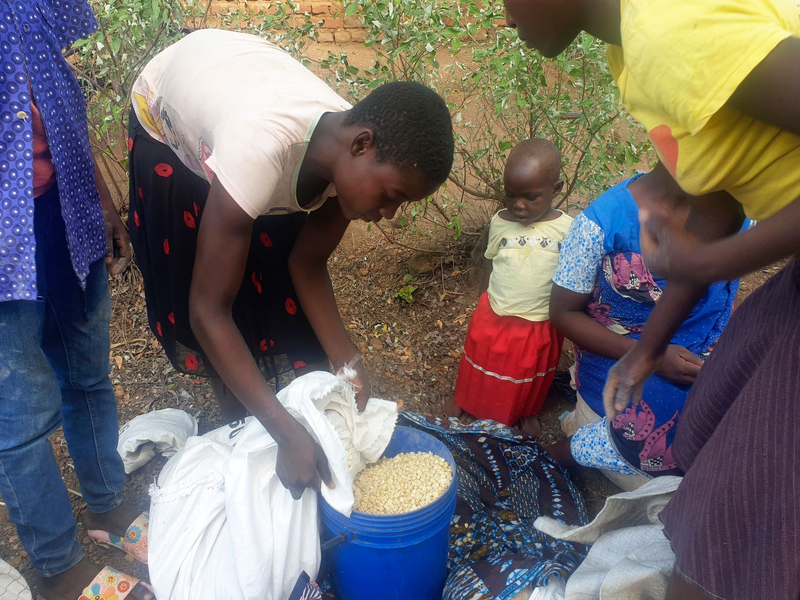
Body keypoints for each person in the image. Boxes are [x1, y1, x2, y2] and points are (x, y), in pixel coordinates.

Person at [502, 0, 800, 597]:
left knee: (734, 514)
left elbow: (711, 236)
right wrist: (646, 350)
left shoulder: (666, 32)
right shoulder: (631, 50)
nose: (506, 18)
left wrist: (706, 263)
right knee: (714, 439)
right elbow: (719, 204)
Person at [128, 29, 454, 501]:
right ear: (361, 145)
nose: (388, 214)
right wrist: (282, 432)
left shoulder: (344, 155)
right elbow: (207, 310)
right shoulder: (258, 148)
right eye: (390, 197)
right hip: (169, 116)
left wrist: (350, 362)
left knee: (271, 271)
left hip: (240, 99)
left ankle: (274, 426)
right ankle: (242, 432)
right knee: (224, 291)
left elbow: (306, 263)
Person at [0, 1, 154, 599]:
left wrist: (99, 199)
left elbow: (57, 98)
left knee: (87, 375)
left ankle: (108, 507)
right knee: (19, 413)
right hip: (3, 234)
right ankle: (59, 566)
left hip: (64, 211)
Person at [546, 164, 744, 490]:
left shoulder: (736, 210)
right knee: (696, 485)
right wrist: (649, 355)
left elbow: (723, 299)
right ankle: (580, 445)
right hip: (624, 371)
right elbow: (563, 313)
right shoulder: (599, 227)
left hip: (700, 365)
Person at [445, 139, 572, 437]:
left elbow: (570, 277)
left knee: (528, 373)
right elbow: (490, 262)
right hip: (495, 312)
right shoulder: (500, 222)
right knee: (478, 362)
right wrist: (483, 299)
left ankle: (526, 411)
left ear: (555, 190)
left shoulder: (567, 229)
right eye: (511, 195)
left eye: (530, 197)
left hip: (538, 321)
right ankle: (463, 400)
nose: (518, 205)